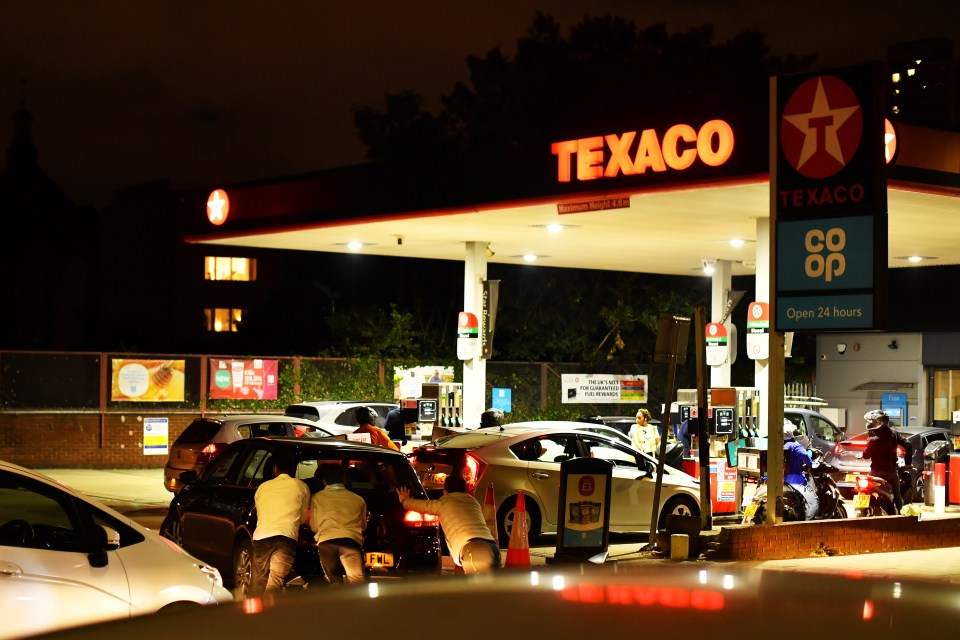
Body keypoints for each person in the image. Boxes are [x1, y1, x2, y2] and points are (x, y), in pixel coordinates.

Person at [396, 475, 500, 574]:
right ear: (465, 490)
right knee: (492, 590)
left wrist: (405, 500)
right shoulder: (474, 503)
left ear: (445, 492)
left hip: (474, 551)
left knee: (477, 590)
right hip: (493, 548)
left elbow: (422, 505)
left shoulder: (443, 504)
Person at [252, 452, 310, 594]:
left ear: (275, 469)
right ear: (293, 470)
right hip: (286, 537)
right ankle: (270, 613)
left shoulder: (263, 487)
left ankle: (254, 612)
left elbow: (260, 513)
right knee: (276, 579)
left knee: (259, 579)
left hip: (261, 537)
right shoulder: (301, 486)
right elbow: (303, 518)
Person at [309, 463, 367, 585]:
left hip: (326, 542)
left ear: (324, 481)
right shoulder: (358, 499)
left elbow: (314, 526)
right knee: (357, 581)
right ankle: (361, 603)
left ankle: (337, 602)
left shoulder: (316, 498)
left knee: (334, 582)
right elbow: (363, 526)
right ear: (344, 479)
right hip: (351, 541)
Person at [863, 409, 911, 513]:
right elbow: (908, 444)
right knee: (897, 497)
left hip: (874, 472)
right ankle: (901, 518)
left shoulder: (872, 435)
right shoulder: (893, 433)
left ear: (878, 422)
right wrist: (908, 463)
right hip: (890, 472)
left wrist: (867, 447)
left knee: (865, 490)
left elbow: (865, 455)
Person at [783, 419, 818, 520]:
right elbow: (804, 455)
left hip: (781, 478)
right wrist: (810, 464)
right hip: (795, 478)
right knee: (812, 500)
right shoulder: (795, 446)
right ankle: (808, 519)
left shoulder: (778, 445)